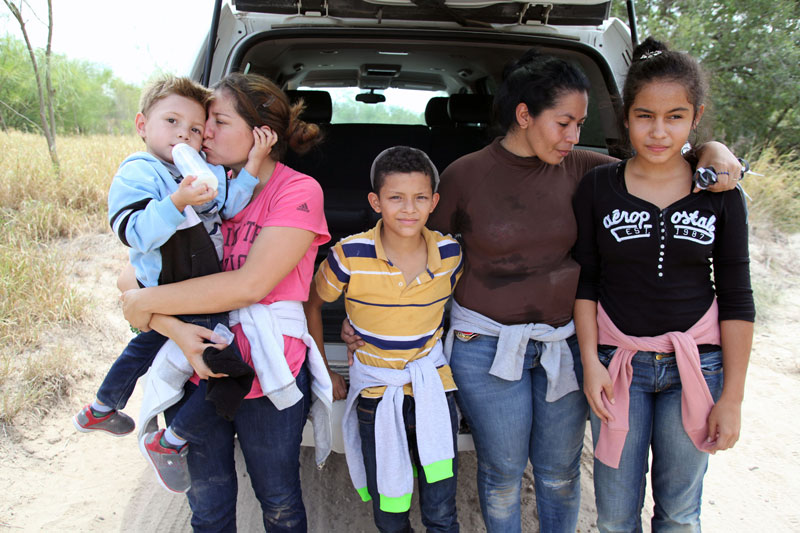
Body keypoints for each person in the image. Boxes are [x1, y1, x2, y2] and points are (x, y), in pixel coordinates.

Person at [341, 48, 743, 533]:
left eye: (582, 124)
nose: (574, 137)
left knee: (558, 474)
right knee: (504, 474)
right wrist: (372, 315)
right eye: (564, 123)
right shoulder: (466, 176)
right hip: (483, 348)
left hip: (566, 345)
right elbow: (414, 248)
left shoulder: (586, 172)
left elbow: (656, 158)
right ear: (525, 115)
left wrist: (712, 151)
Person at [120, 72, 334, 532]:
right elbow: (132, 271)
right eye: (200, 123)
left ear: (261, 135)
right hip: (195, 364)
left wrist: (145, 302)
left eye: (217, 121)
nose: (201, 133)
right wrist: (172, 327)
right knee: (209, 509)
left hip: (266, 369)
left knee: (278, 501)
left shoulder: (298, 191)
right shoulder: (195, 184)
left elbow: (250, 285)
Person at [573, 37, 754, 532]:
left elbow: (737, 297)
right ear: (625, 118)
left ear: (696, 118)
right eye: (644, 116)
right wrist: (590, 362)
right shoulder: (598, 187)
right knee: (613, 517)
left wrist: (732, 397)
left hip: (697, 367)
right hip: (617, 366)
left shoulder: (719, 192)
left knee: (679, 515)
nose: (658, 131)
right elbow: (586, 281)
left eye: (675, 117)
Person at [73, 75, 271, 492]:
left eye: (196, 128)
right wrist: (177, 201)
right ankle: (167, 436)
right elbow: (135, 232)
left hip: (198, 289)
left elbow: (227, 207)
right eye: (172, 121)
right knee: (230, 370)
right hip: (171, 286)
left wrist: (250, 166)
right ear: (143, 125)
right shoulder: (138, 170)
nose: (184, 133)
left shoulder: (202, 169)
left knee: (148, 349)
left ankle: (105, 408)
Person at [305, 146, 463, 533]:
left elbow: (453, 309)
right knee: (390, 513)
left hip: (433, 391)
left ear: (434, 202)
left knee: (442, 509)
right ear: (376, 202)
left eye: (420, 198)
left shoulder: (451, 254)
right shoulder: (349, 255)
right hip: (376, 395)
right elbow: (310, 305)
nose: (408, 209)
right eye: (396, 198)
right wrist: (325, 370)